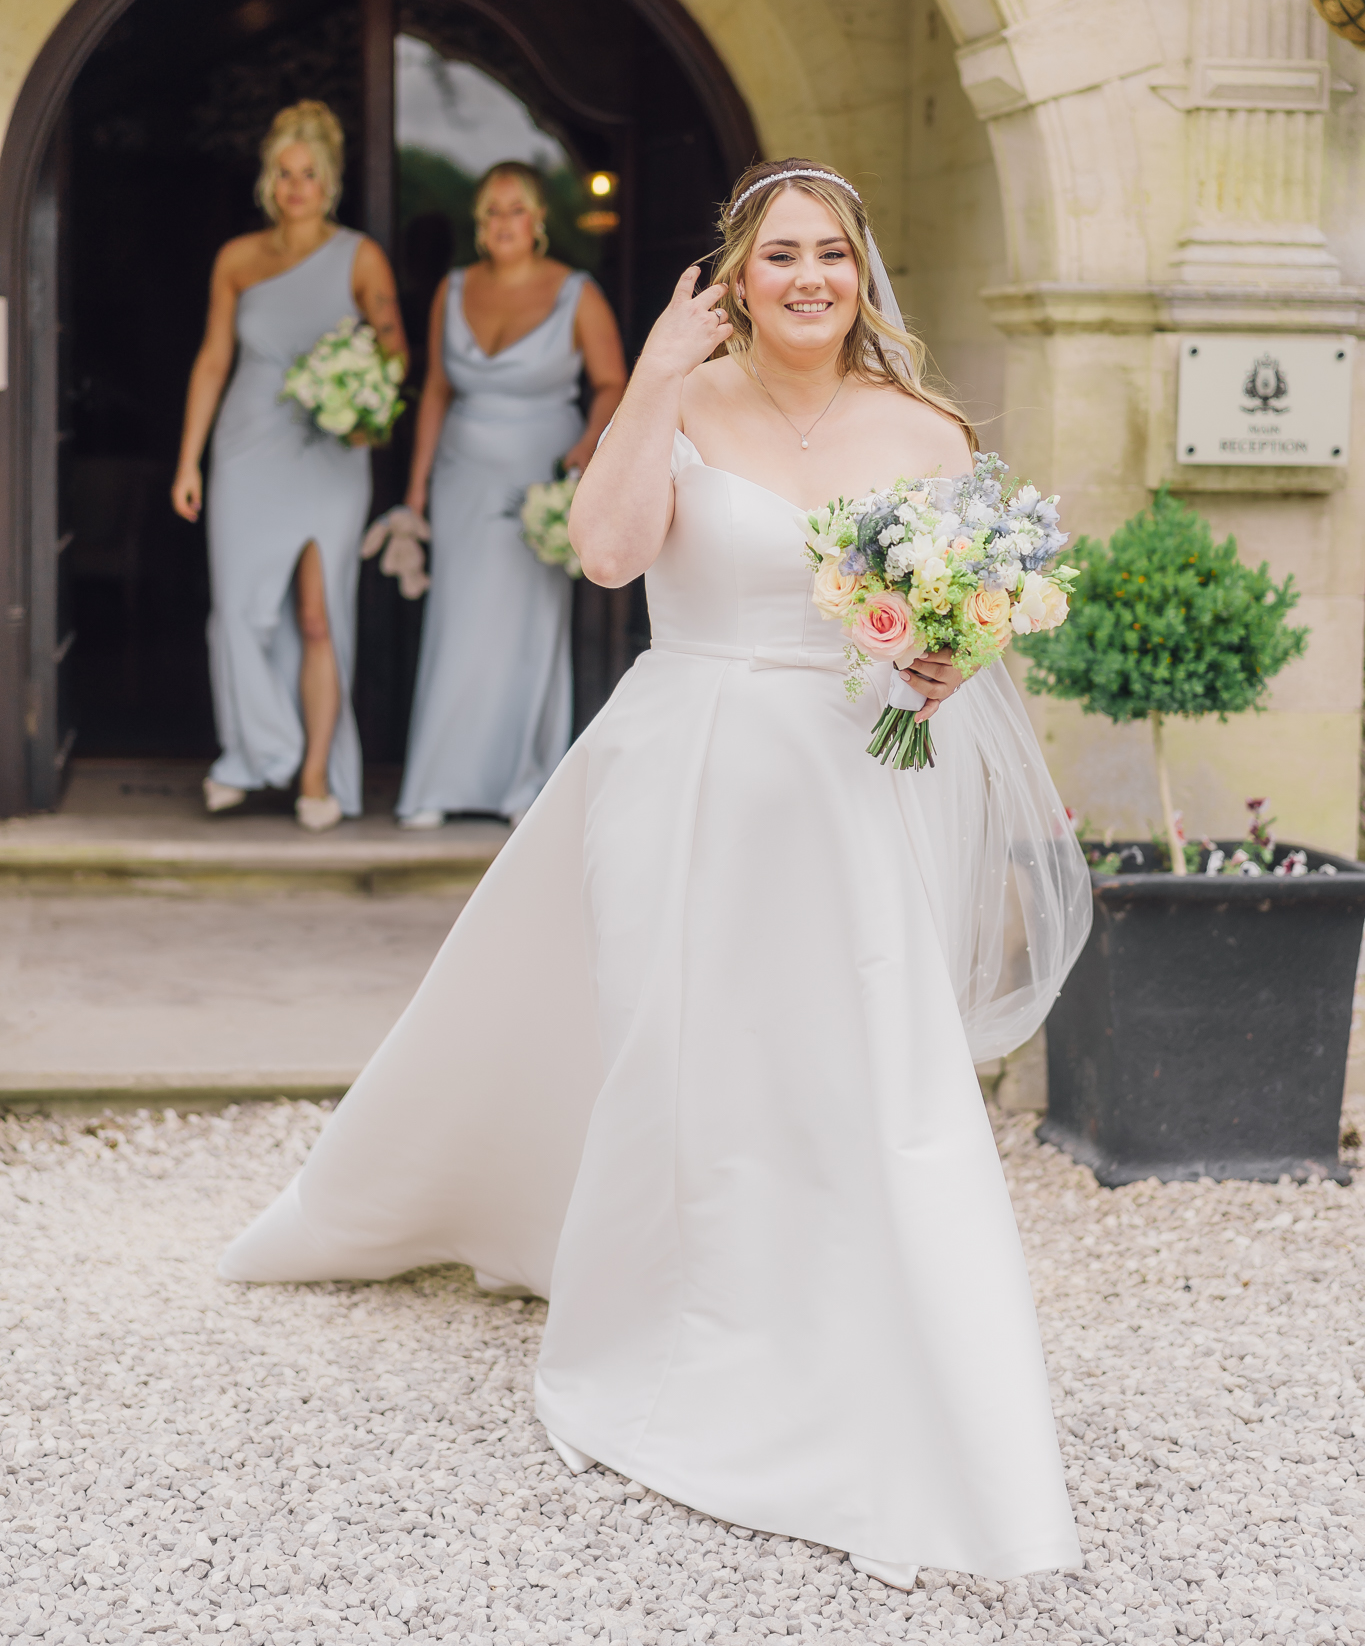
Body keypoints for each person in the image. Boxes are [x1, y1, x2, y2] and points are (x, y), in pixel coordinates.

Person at [219, 158, 1092, 1585]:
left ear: (860, 273)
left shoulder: (924, 432)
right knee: (679, 1050)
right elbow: (613, 555)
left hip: (848, 784)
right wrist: (654, 381)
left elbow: (962, 623)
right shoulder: (683, 401)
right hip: (682, 769)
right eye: (778, 255)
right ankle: (679, 1313)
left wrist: (944, 655)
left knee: (858, 1060)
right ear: (738, 276)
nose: (806, 277)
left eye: (830, 253)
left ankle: (888, 1342)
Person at [172, 101, 407, 830]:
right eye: (284, 172)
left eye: (309, 174)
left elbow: (394, 351)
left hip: (328, 454)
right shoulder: (237, 259)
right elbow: (213, 360)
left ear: (329, 181)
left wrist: (366, 415)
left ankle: (313, 775)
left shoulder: (360, 255)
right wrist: (189, 462)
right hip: (244, 449)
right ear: (268, 181)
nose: (295, 185)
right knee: (238, 615)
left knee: (314, 617)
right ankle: (250, 759)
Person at [395, 161, 626, 828]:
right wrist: (415, 488)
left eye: (515, 211)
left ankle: (520, 787)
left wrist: (587, 449)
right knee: (457, 625)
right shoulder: (453, 288)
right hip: (461, 476)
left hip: (541, 479)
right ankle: (435, 783)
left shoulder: (575, 293)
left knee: (529, 630)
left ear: (538, 221)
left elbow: (612, 381)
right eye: (491, 213)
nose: (502, 224)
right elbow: (436, 386)